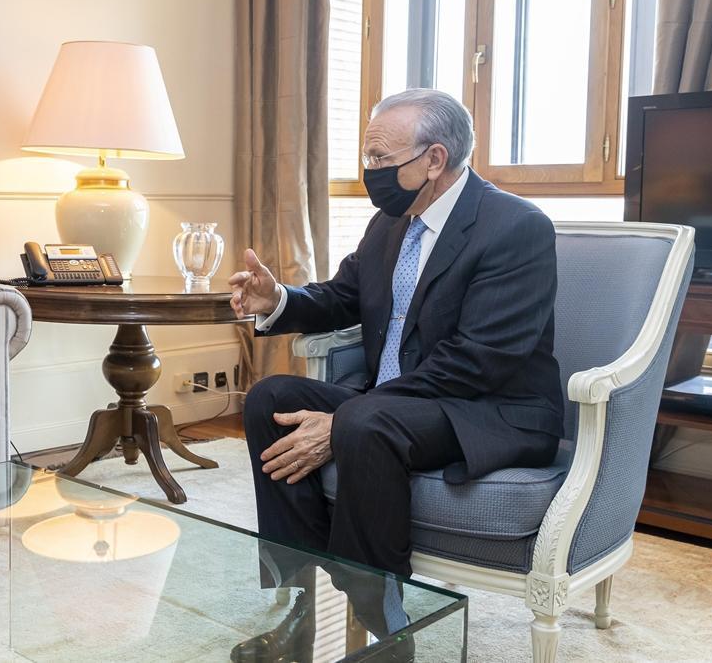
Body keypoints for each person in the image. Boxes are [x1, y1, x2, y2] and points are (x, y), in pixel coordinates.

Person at [229, 88, 564, 660]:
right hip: (401, 401)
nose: (370, 172)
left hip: (488, 409)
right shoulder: (390, 223)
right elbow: (342, 298)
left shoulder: (515, 227)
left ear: (434, 159)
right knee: (269, 398)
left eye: (382, 159)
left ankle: (387, 629)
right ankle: (300, 607)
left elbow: (478, 359)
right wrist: (277, 298)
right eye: (368, 157)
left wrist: (344, 417)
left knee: (364, 421)